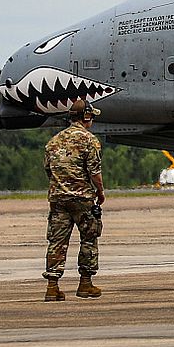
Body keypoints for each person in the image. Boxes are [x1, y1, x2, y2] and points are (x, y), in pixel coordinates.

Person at [43, 101, 105, 300]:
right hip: (82, 199)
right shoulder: (89, 140)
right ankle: (85, 284)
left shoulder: (53, 141)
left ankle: (52, 286)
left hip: (58, 198)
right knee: (89, 238)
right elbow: (95, 172)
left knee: (57, 241)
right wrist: (100, 192)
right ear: (86, 117)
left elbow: (48, 169)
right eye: (91, 117)